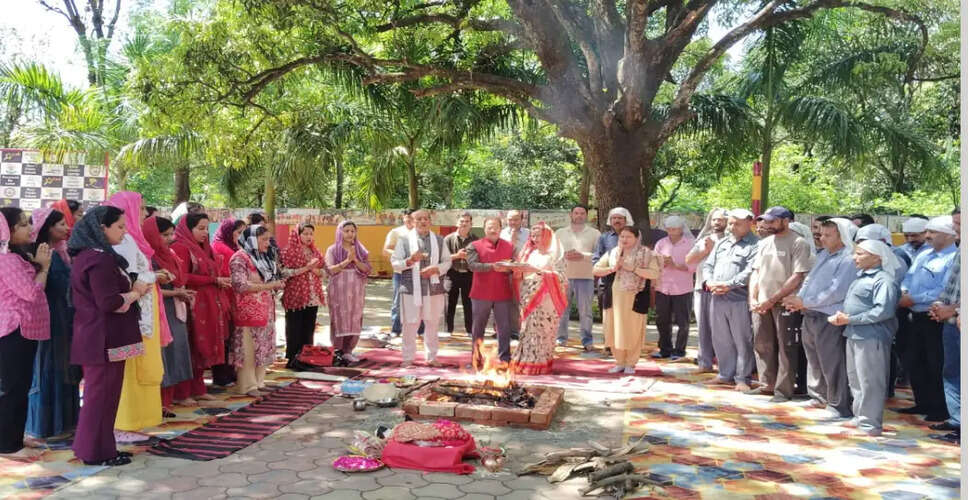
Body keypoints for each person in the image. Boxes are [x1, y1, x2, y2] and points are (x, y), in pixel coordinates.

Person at [68, 205, 143, 466]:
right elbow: (108, 302)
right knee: (100, 398)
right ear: (102, 228)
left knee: (101, 397)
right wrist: (136, 293)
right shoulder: (99, 258)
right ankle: (96, 452)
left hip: (99, 336)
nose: (124, 232)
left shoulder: (90, 255)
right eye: (120, 226)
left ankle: (98, 448)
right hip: (104, 338)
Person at [782, 218, 858, 418]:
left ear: (842, 236)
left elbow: (835, 291)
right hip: (810, 313)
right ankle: (818, 397)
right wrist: (799, 299)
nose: (821, 238)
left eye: (827, 235)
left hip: (830, 317)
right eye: (821, 234)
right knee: (814, 358)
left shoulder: (849, 259)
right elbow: (808, 281)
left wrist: (804, 302)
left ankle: (837, 404)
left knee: (832, 362)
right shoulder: (824, 255)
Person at [106, 191, 165, 431]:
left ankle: (140, 420)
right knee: (130, 367)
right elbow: (128, 279)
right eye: (139, 209)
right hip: (132, 309)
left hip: (143, 306)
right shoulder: (122, 243)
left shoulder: (131, 239)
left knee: (142, 364)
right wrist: (155, 276)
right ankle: (128, 423)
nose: (144, 214)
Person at [829, 239, 899, 437]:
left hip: (872, 336)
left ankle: (871, 425)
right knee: (856, 380)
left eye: (860, 254)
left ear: (877, 257)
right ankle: (860, 417)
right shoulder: (861, 277)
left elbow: (882, 311)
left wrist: (850, 318)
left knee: (871, 381)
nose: (854, 257)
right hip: (854, 333)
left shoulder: (883, 280)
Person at [0, 207, 51, 459]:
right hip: (13, 330)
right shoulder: (6, 259)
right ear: (6, 231)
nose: (29, 228)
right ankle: (7, 446)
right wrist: (43, 268)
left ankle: (14, 437)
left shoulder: (16, 257)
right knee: (13, 388)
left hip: (23, 331)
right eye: (22, 224)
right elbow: (31, 293)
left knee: (19, 387)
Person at [26, 208, 80, 442]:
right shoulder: (41, 253)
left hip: (64, 316)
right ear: (48, 227)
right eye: (60, 224)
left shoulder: (62, 252)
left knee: (65, 369)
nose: (67, 228)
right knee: (48, 368)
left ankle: (66, 423)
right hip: (48, 317)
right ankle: (45, 426)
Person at [896, 215, 958, 422]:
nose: (927, 236)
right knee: (915, 361)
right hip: (915, 316)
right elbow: (909, 278)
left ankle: (941, 408)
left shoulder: (954, 257)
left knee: (936, 363)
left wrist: (914, 298)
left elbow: (944, 289)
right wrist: (904, 293)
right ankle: (922, 402)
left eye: (933, 232)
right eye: (927, 232)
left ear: (949, 235)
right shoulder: (924, 255)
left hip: (935, 317)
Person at [748, 206, 813, 402]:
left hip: (784, 303)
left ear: (786, 221)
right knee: (762, 343)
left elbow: (797, 276)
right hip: (761, 303)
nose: (767, 224)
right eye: (766, 221)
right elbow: (756, 272)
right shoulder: (765, 243)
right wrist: (753, 298)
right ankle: (766, 384)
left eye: (772, 221)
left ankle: (783, 390)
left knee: (786, 347)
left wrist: (771, 300)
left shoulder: (799, 243)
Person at [170, 213, 230, 404]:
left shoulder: (204, 248)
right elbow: (182, 276)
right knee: (189, 346)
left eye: (207, 228)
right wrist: (213, 280)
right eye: (201, 228)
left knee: (201, 347)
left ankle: (198, 388)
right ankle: (182, 393)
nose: (205, 232)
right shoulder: (180, 247)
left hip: (208, 303)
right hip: (191, 303)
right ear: (188, 229)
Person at [144, 216, 195, 417]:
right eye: (164, 235)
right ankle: (159, 401)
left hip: (175, 308)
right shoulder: (148, 256)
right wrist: (176, 293)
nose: (170, 238)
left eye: (171, 234)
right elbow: (149, 288)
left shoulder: (170, 254)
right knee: (164, 354)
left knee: (178, 351)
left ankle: (170, 399)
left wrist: (180, 293)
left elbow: (178, 279)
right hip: (160, 309)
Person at [702, 209, 758, 391]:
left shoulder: (756, 245)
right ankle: (725, 374)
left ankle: (743, 378)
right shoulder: (723, 243)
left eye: (737, 224)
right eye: (731, 223)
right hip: (717, 297)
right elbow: (708, 265)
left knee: (742, 339)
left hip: (739, 299)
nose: (732, 227)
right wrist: (709, 281)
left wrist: (728, 284)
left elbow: (750, 271)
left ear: (750, 223)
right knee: (721, 338)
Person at [594, 226, 661, 374]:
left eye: (628, 237)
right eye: (622, 237)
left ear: (637, 238)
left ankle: (631, 363)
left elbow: (654, 274)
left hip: (635, 297)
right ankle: (619, 361)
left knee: (633, 329)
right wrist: (612, 268)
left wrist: (633, 268)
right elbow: (596, 269)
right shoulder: (612, 253)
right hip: (614, 297)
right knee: (614, 328)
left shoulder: (647, 254)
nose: (624, 240)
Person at [391, 209, 452, 368]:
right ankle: (407, 358)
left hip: (434, 288)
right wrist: (410, 261)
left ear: (430, 221)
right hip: (410, 288)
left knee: (432, 323)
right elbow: (395, 263)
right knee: (410, 324)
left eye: (426, 218)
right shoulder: (404, 240)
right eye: (419, 219)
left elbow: (447, 261)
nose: (423, 222)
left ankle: (431, 357)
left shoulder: (439, 240)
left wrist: (436, 269)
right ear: (412, 222)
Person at [230, 226, 286, 397]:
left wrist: (276, 285)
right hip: (247, 311)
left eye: (268, 239)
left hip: (265, 309)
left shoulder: (261, 258)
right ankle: (247, 385)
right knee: (248, 347)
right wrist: (269, 286)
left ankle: (259, 382)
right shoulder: (239, 258)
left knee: (263, 346)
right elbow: (240, 285)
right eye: (263, 239)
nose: (267, 244)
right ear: (252, 239)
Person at [510, 223, 567, 375]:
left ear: (547, 236)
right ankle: (526, 361)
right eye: (533, 236)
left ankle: (540, 364)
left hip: (547, 298)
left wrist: (538, 271)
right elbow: (522, 273)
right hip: (528, 294)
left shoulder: (555, 255)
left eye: (538, 235)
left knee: (543, 331)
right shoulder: (531, 254)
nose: (535, 239)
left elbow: (562, 278)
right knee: (527, 330)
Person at [928, 208, 961, 443]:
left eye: (960, 224)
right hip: (951, 323)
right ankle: (957, 420)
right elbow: (951, 283)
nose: (956, 228)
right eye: (955, 223)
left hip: (958, 318)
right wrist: (940, 304)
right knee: (952, 372)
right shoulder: (962, 251)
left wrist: (957, 309)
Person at [467, 217, 515, 368]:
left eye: (496, 227)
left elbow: (513, 267)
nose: (493, 230)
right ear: (484, 229)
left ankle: (505, 359)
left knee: (504, 328)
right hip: (481, 293)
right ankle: (476, 359)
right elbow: (472, 266)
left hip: (503, 292)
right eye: (489, 227)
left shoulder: (509, 246)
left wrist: (509, 268)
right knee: (478, 328)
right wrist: (492, 267)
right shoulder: (474, 245)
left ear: (501, 228)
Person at [686, 208, 727, 373]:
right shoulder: (705, 239)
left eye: (721, 220)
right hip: (702, 288)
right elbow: (688, 260)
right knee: (703, 327)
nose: (717, 222)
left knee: (722, 329)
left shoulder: (733, 240)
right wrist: (705, 250)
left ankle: (725, 365)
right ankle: (705, 363)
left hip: (724, 290)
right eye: (714, 219)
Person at [555, 204, 600, 352]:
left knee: (585, 311)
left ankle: (587, 340)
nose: (579, 215)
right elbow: (553, 254)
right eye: (576, 213)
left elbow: (599, 255)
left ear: (586, 215)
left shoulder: (595, 233)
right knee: (562, 310)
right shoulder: (560, 233)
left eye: (582, 213)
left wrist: (583, 256)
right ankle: (561, 338)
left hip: (585, 276)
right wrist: (565, 255)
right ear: (571, 215)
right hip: (564, 276)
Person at [325, 221, 372, 362]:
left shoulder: (361, 250)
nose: (350, 234)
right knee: (339, 318)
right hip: (338, 288)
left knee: (355, 318)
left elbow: (367, 269)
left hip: (356, 289)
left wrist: (355, 260)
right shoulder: (332, 250)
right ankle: (338, 350)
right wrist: (347, 261)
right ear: (340, 232)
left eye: (353, 231)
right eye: (346, 231)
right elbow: (330, 269)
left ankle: (348, 350)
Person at [593, 206, 635, 357]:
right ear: (610, 221)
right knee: (608, 315)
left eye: (620, 218)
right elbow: (596, 258)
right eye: (614, 218)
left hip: (629, 282)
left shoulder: (635, 236)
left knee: (626, 314)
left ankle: (625, 346)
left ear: (626, 220)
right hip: (607, 281)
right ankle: (609, 345)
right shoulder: (604, 238)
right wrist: (608, 268)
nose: (617, 221)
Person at [653, 216, 697, 360]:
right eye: (669, 229)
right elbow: (653, 262)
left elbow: (694, 267)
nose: (671, 232)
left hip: (682, 288)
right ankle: (664, 349)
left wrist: (675, 265)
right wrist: (661, 263)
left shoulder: (690, 244)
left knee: (682, 322)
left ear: (681, 229)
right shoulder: (661, 243)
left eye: (675, 229)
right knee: (661, 320)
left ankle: (679, 351)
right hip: (663, 286)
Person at [281, 222, 324, 366]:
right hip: (296, 295)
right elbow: (284, 272)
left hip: (312, 296)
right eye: (305, 233)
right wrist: (306, 268)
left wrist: (314, 270)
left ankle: (306, 357)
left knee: (309, 327)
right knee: (294, 327)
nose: (309, 237)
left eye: (311, 234)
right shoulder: (289, 251)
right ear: (297, 235)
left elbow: (324, 271)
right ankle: (293, 358)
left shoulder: (315, 252)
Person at [210, 218, 247, 386]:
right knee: (223, 336)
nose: (241, 236)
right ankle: (222, 375)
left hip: (232, 297)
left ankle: (230, 372)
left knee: (231, 336)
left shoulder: (234, 248)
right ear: (227, 232)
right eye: (238, 232)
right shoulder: (221, 248)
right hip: (223, 297)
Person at [443, 212, 477, 335]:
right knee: (449, 303)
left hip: (469, 275)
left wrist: (470, 258)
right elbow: (443, 258)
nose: (464, 224)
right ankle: (448, 330)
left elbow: (479, 257)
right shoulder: (448, 239)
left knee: (468, 304)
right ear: (457, 223)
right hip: (452, 274)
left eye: (467, 221)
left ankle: (469, 330)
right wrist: (457, 256)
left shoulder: (475, 239)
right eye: (462, 221)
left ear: (471, 224)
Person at [384, 209, 415, 336]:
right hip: (400, 271)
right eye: (407, 217)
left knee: (419, 301)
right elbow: (386, 250)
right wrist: (401, 256)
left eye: (412, 217)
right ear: (403, 217)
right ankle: (396, 329)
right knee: (398, 301)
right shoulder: (396, 232)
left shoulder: (421, 232)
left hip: (418, 272)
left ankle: (420, 330)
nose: (409, 219)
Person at [501, 210, 530, 340]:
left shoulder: (528, 234)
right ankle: (503, 329)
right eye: (510, 219)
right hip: (504, 272)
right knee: (503, 301)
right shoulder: (501, 233)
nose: (513, 222)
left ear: (521, 220)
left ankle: (519, 330)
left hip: (522, 273)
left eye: (516, 219)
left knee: (520, 301)